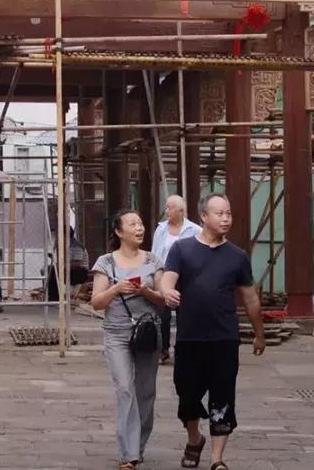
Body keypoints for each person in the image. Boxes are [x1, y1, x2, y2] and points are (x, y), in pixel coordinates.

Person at [160, 193, 265, 470]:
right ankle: (194, 439)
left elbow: (250, 298)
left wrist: (259, 333)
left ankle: (217, 459)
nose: (226, 218)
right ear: (203, 217)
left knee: (223, 397)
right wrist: (168, 292)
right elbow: (167, 280)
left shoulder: (237, 256)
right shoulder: (182, 249)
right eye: (219, 213)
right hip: (190, 338)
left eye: (228, 213)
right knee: (187, 396)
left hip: (224, 339)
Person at [91, 209, 166, 470]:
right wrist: (116, 288)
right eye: (132, 224)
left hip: (147, 332)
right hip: (117, 333)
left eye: (140, 223)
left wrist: (146, 291)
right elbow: (96, 303)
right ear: (119, 231)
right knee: (125, 389)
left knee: (146, 393)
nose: (139, 228)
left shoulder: (153, 260)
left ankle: (138, 446)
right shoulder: (105, 263)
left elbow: (163, 299)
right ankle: (128, 454)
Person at [151, 195, 201, 365]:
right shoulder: (161, 229)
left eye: (170, 208)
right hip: (165, 276)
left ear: (181, 211)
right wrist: (154, 275)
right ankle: (163, 350)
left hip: (186, 278)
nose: (166, 211)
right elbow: (154, 254)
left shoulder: (194, 230)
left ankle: (182, 350)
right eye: (166, 207)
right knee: (162, 314)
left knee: (184, 315)